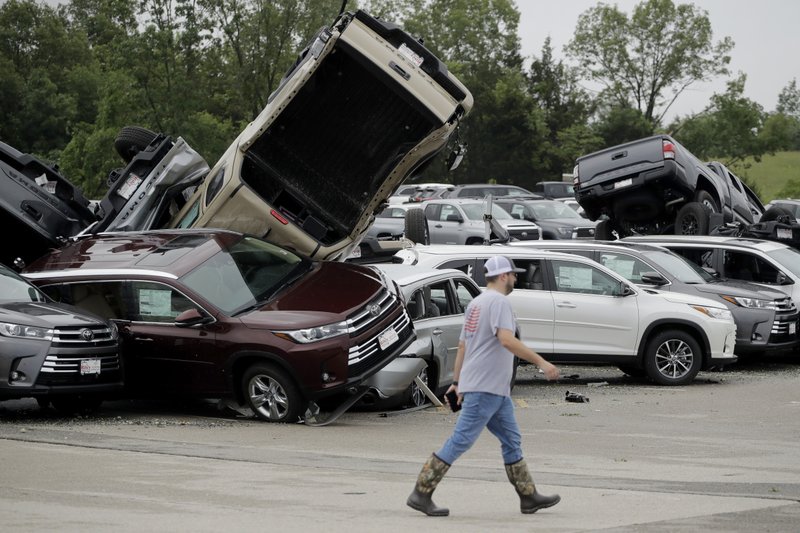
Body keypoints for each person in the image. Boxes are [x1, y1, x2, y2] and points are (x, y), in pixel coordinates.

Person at [406, 255, 561, 517]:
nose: (515, 278)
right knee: (461, 440)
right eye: (513, 274)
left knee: (511, 440)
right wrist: (541, 362)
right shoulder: (499, 302)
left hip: (494, 389)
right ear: (503, 276)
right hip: (486, 387)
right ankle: (421, 492)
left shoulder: (476, 304)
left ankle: (528, 496)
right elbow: (506, 340)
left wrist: (456, 382)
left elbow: (465, 345)